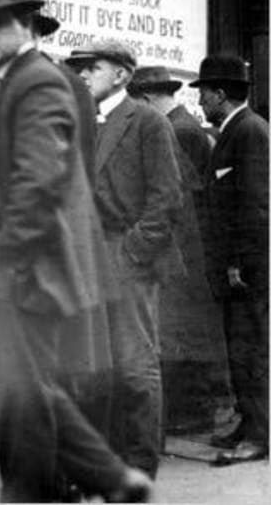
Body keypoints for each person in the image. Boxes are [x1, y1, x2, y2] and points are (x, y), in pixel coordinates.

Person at [0, 0, 152, 502]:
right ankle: (110, 480)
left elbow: (38, 181)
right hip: (27, 266)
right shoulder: (6, 87)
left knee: (26, 392)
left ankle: (87, 483)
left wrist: (8, 258)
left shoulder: (37, 82)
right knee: (26, 390)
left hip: (36, 268)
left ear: (25, 24)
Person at [66, 42, 184, 480]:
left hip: (128, 257)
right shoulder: (81, 123)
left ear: (121, 75)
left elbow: (167, 198)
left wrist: (134, 249)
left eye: (92, 68)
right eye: (78, 68)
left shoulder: (147, 122)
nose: (82, 76)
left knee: (135, 367)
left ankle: (140, 464)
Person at [127, 65, 231, 435]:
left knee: (185, 332)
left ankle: (195, 412)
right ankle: (195, 410)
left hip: (186, 248)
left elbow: (177, 198)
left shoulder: (176, 131)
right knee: (186, 330)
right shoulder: (183, 127)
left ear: (146, 99)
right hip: (190, 246)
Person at [190, 55, 269, 466]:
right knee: (239, 346)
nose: (200, 102)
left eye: (204, 94)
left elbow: (256, 204)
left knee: (250, 348)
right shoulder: (237, 130)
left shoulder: (249, 131)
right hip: (236, 266)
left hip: (248, 267)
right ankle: (249, 421)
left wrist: (240, 261)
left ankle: (259, 435)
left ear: (220, 94)